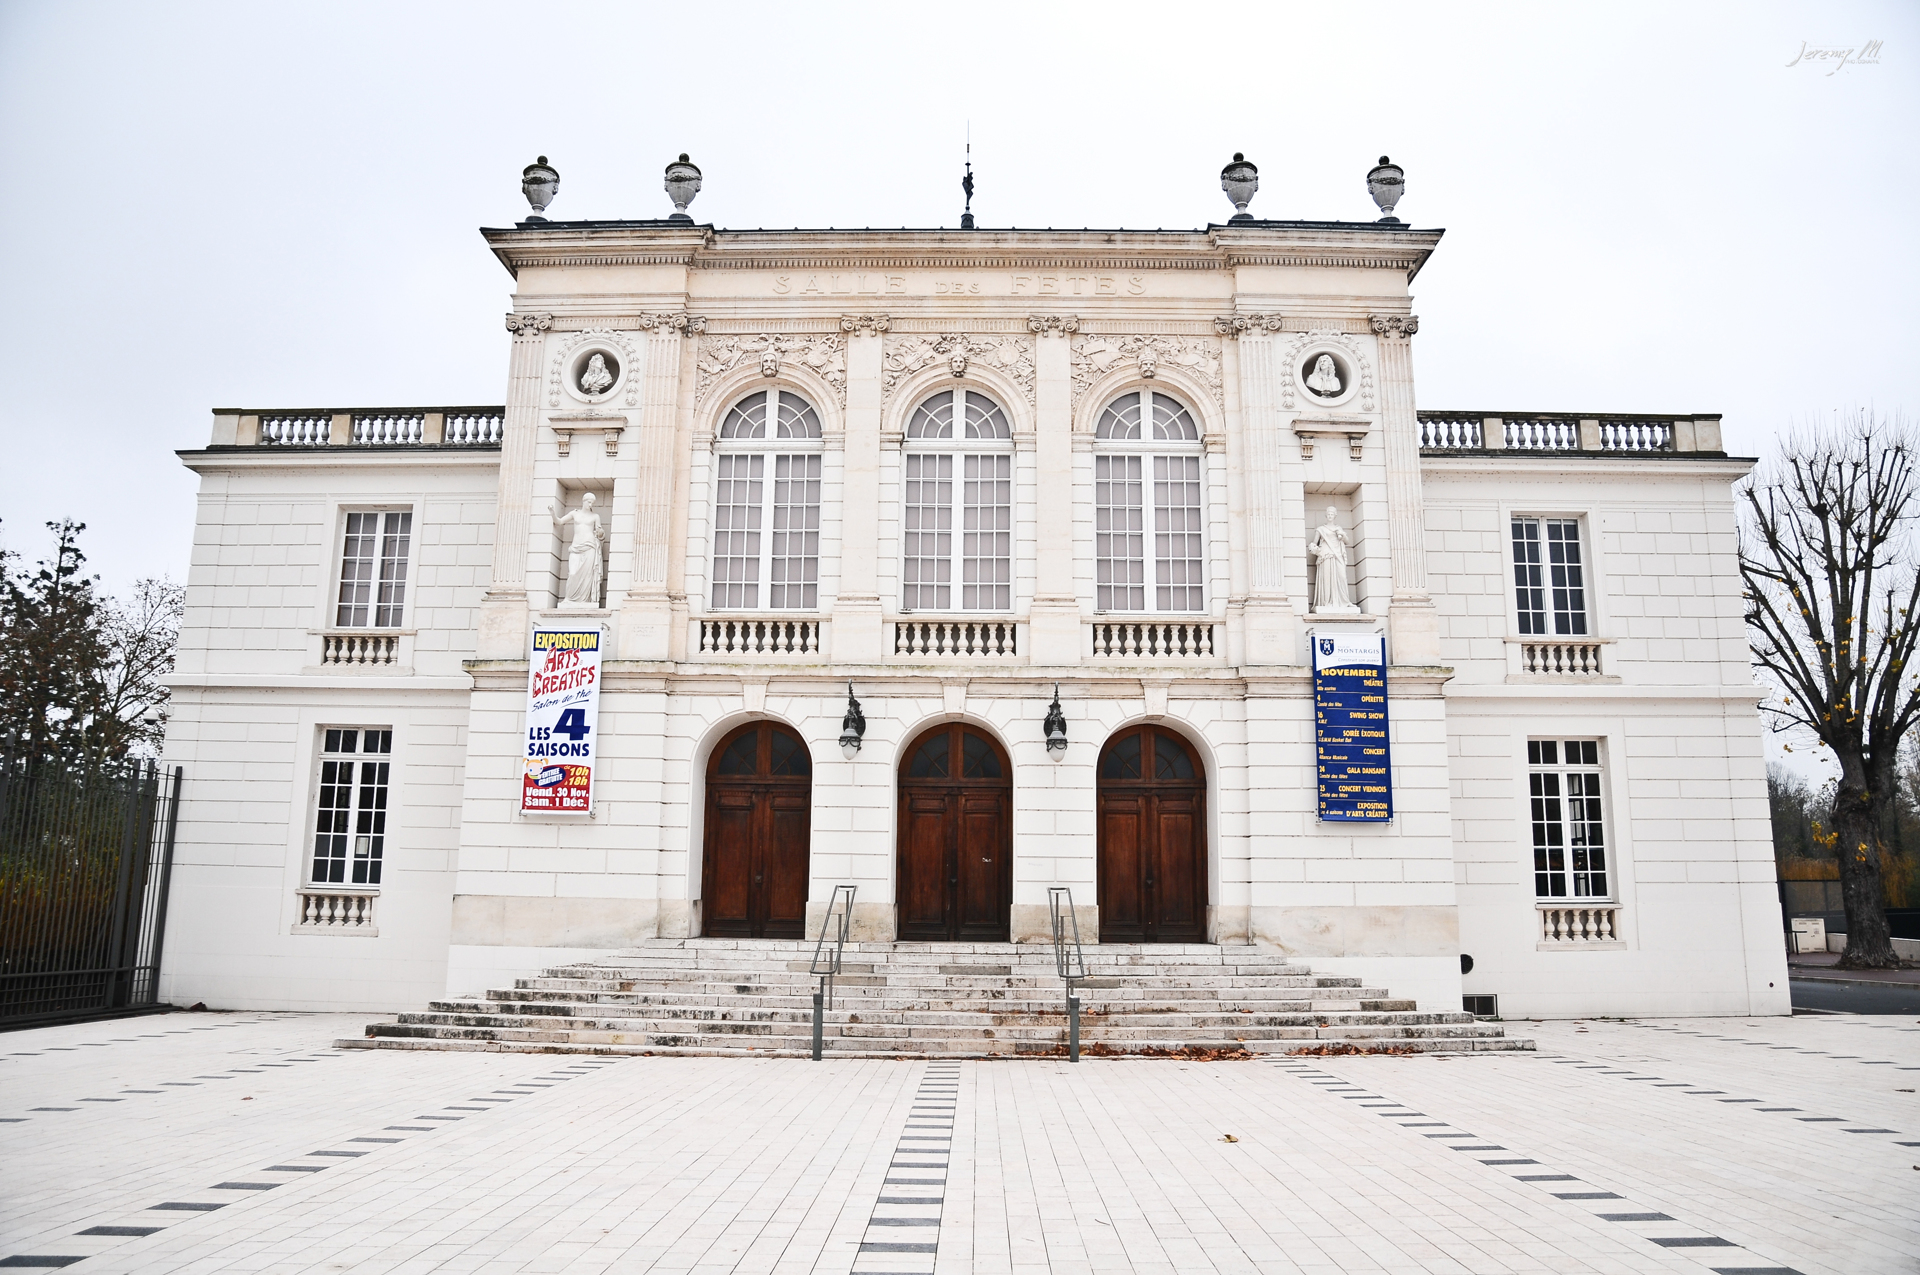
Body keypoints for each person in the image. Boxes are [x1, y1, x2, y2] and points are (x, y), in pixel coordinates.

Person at [553, 493, 606, 606]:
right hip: (576, 547)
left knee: (587, 576)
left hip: (590, 547)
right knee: (572, 573)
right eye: (589, 501)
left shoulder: (595, 516)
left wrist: (600, 533)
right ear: (584, 501)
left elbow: (600, 533)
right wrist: (552, 512)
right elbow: (559, 521)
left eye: (592, 502)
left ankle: (585, 600)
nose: (591, 504)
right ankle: (569, 598)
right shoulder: (574, 513)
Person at [1308, 506, 1355, 612]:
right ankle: (1326, 602)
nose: (1330, 516)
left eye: (1332, 514)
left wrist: (1342, 535)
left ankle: (1344, 601)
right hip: (1326, 555)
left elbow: (1347, 541)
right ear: (1326, 515)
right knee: (1327, 578)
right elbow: (1314, 543)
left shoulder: (1339, 528)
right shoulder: (1321, 529)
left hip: (1338, 554)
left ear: (1335, 515)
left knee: (1342, 577)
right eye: (1328, 514)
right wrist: (1313, 548)